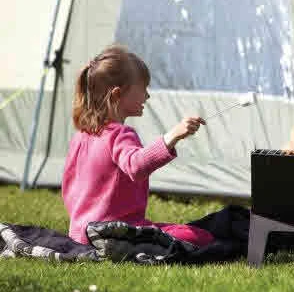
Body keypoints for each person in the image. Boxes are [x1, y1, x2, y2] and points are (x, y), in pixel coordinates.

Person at [62, 44, 215, 247]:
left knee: (175, 230)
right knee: (199, 237)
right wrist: (174, 135)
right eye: (143, 89)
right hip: (114, 234)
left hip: (80, 234)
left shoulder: (81, 136)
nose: (147, 96)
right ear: (117, 94)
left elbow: (68, 187)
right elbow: (136, 166)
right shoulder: (119, 134)